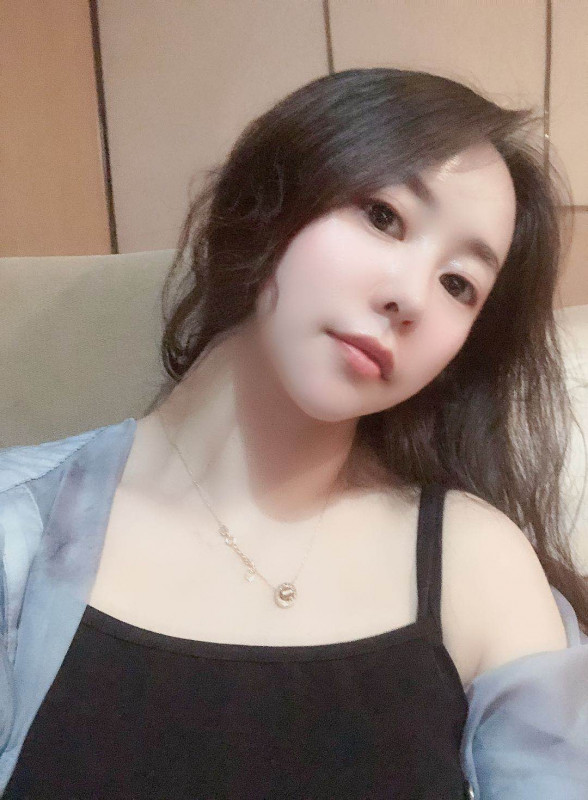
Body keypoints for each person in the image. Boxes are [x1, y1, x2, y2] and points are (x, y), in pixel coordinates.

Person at [1, 68, 587, 799]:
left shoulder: (479, 566)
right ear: (271, 200)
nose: (409, 296)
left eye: (458, 283)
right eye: (383, 216)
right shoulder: (20, 531)